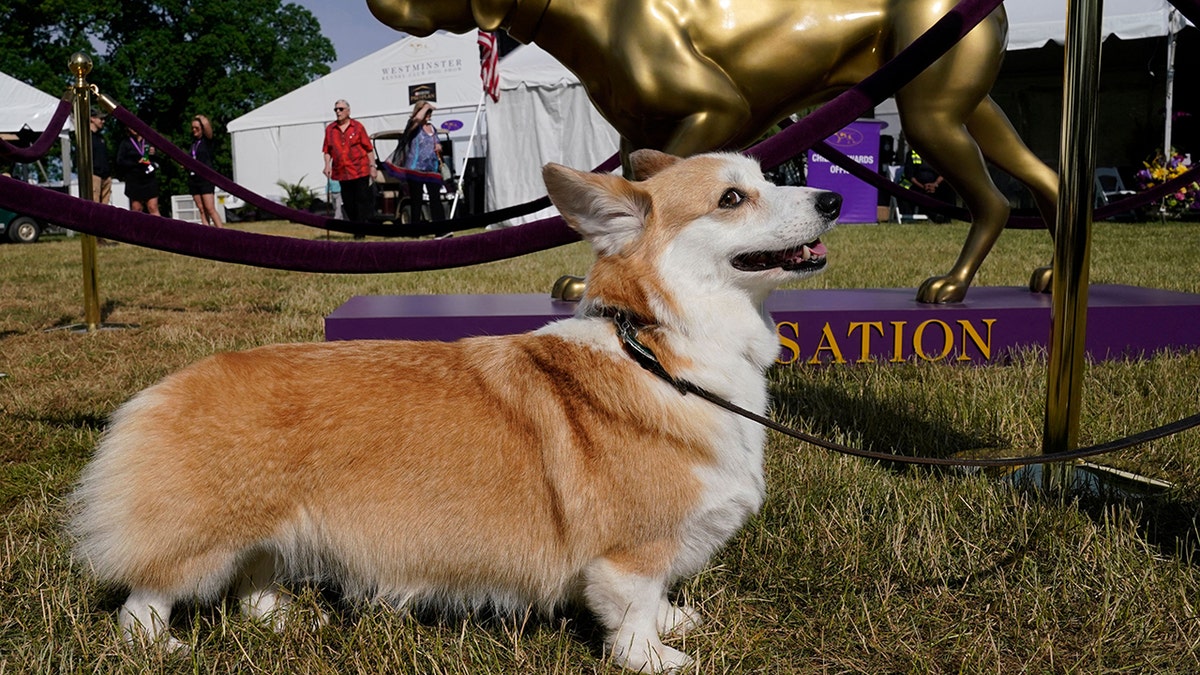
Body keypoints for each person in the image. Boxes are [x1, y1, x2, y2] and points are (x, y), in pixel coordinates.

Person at [321, 99, 376, 231]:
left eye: (340, 109)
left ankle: (360, 231)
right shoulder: (330, 129)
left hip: (360, 170)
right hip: (342, 172)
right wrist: (327, 165)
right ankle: (357, 225)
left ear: (348, 111)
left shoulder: (357, 127)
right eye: (336, 109)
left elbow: (368, 148)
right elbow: (327, 150)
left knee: (361, 200)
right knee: (348, 202)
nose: (338, 112)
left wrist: (372, 166)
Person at [400, 101, 446, 225]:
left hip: (431, 168)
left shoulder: (432, 128)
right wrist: (425, 106)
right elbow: (417, 119)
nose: (428, 114)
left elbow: (436, 142)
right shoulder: (413, 126)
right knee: (417, 200)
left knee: (435, 198)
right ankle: (415, 230)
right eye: (426, 112)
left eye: (429, 112)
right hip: (416, 168)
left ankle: (440, 228)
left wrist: (438, 146)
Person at [186, 114, 224, 228]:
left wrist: (201, 118)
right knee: (201, 209)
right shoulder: (193, 143)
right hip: (193, 178)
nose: (194, 130)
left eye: (197, 128)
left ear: (202, 129)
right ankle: (206, 233)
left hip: (205, 178)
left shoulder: (207, 141)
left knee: (210, 208)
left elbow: (208, 127)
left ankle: (223, 233)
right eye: (192, 128)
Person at [115, 125, 160, 215]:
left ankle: (161, 229)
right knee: (137, 208)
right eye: (131, 127)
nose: (134, 128)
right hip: (134, 179)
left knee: (152, 206)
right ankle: (137, 229)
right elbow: (120, 161)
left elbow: (158, 160)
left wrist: (154, 153)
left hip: (149, 178)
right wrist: (136, 162)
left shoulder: (148, 141)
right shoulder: (125, 143)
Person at [904, 147, 955, 223]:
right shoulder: (912, 154)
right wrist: (923, 186)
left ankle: (947, 218)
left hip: (935, 185)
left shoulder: (937, 155)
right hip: (918, 186)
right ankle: (935, 216)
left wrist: (935, 184)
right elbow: (910, 175)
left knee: (949, 189)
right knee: (919, 195)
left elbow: (944, 172)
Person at [89, 109, 117, 246]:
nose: (103, 121)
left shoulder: (101, 138)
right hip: (94, 175)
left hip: (106, 176)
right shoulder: (86, 137)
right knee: (95, 207)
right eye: (101, 118)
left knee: (103, 209)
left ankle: (102, 238)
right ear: (92, 119)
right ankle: (94, 238)